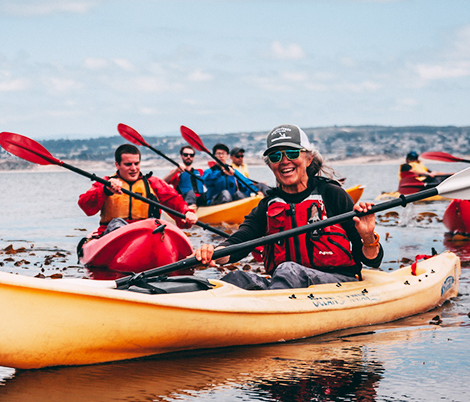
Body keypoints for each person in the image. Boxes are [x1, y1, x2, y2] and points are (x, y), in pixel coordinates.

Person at [193, 124, 383, 290]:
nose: (284, 161)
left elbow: (372, 260)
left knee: (288, 269)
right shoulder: (267, 206)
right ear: (270, 165)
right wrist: (212, 252)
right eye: (276, 156)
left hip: (338, 283)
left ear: (308, 159)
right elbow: (238, 243)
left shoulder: (332, 194)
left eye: (292, 153)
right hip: (288, 285)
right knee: (235, 278)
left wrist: (367, 237)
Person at [78, 144, 197, 236]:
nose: (134, 168)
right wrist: (105, 190)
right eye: (128, 164)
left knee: (156, 224)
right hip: (115, 233)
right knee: (117, 223)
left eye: (137, 163)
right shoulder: (106, 183)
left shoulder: (152, 183)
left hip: (146, 232)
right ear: (117, 165)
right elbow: (85, 206)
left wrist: (187, 213)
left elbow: (175, 200)